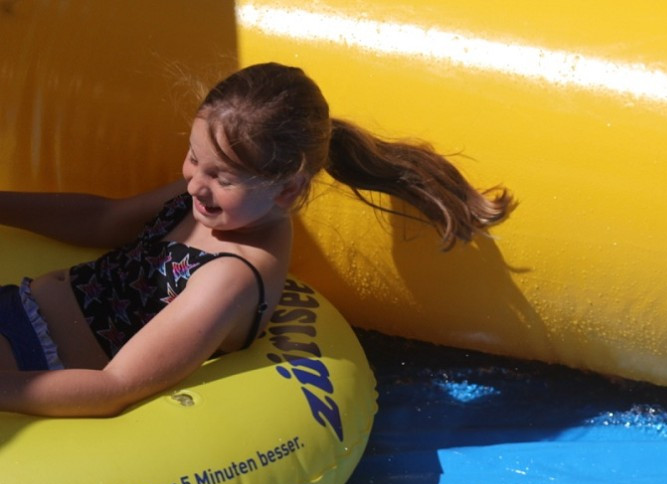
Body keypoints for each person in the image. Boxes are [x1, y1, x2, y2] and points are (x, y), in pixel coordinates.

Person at [0, 62, 514, 417]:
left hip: (36, 364)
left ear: (287, 189)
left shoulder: (231, 275)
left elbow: (114, 388)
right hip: (15, 309)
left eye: (221, 176)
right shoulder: (206, 199)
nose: (196, 182)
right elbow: (102, 220)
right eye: (193, 158)